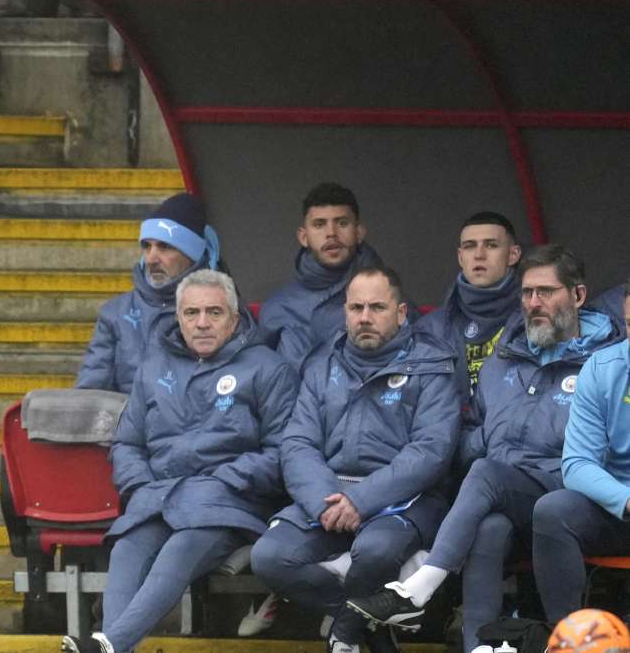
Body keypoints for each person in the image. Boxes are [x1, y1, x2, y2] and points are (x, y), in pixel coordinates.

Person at [348, 245, 623, 653]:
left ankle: (419, 590)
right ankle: (477, 646)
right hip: (512, 492)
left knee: (488, 476)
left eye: (546, 292)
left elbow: (596, 454)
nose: (534, 303)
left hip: (577, 495)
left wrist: (503, 460)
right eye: (527, 293)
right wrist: (487, 445)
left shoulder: (604, 362)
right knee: (489, 524)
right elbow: (473, 427)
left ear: (578, 296)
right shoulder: (503, 357)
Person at [61, 269, 298, 653]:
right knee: (127, 547)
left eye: (214, 313)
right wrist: (139, 485)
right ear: (179, 318)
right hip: (157, 497)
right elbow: (126, 443)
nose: (202, 323)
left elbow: (283, 452)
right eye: (191, 314)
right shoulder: (154, 368)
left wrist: (224, 481)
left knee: (180, 549)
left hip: (228, 504)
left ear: (234, 319)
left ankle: (110, 645)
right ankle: (112, 647)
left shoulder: (268, 369)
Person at [251, 266, 459, 653]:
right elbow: (297, 443)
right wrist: (323, 501)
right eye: (356, 307)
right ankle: (374, 623)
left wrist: (361, 501)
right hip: (328, 496)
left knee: (375, 552)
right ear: (345, 312)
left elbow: (430, 451)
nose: (364, 317)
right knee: (269, 556)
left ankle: (346, 634)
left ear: (401, 313)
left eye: (377, 307)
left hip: (405, 500)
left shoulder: (432, 365)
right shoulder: (322, 363)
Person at [531, 282, 630, 628]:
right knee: (553, 510)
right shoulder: (603, 368)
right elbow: (576, 464)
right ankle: (570, 638)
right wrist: (626, 499)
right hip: (622, 506)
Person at [76, 192, 225, 394]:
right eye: (147, 246)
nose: (151, 258)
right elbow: (89, 394)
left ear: (192, 255)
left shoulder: (224, 311)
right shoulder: (115, 313)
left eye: (164, 247)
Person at [259, 183, 406, 372]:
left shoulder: (392, 298)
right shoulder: (277, 307)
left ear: (359, 232)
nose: (331, 233)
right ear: (303, 237)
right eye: (319, 224)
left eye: (342, 223)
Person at [416, 211, 522, 404]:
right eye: (469, 246)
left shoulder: (536, 319)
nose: (479, 255)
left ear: (513, 254)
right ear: (460, 257)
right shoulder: (428, 330)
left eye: (491, 245)